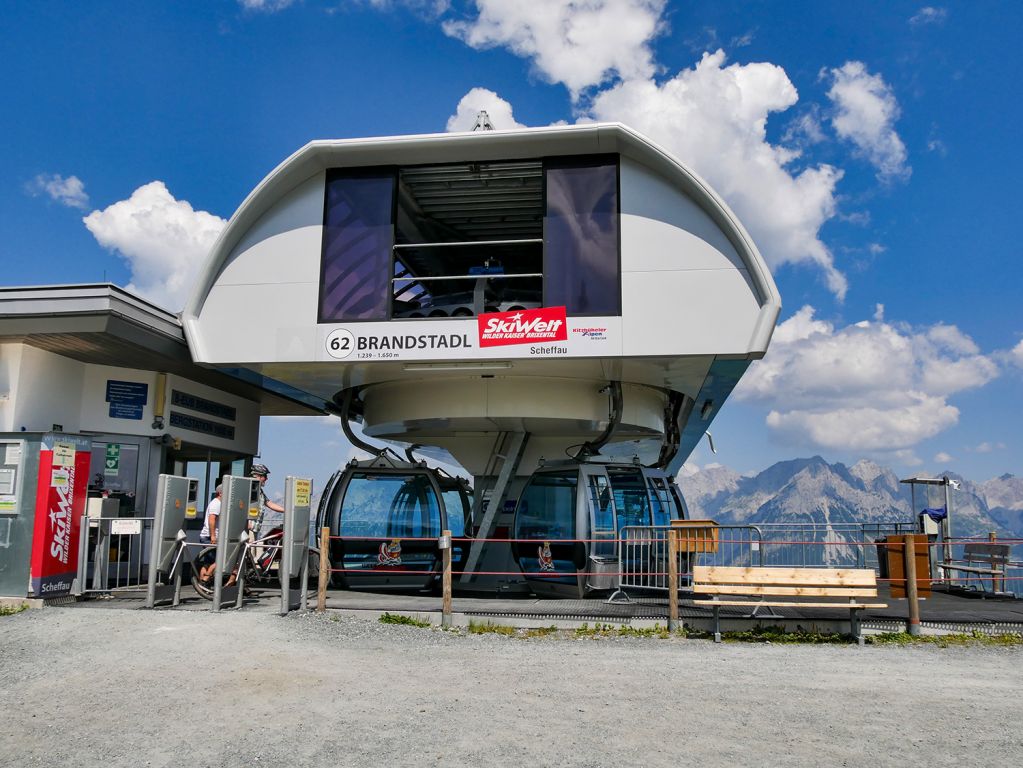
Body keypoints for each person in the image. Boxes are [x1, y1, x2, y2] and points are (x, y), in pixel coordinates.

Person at [197, 484, 222, 583]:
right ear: (220, 493)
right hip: (209, 537)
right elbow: (212, 519)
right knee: (220, 560)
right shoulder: (216, 503)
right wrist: (213, 536)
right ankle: (205, 579)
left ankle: (201, 585)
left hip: (206, 536)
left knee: (207, 563)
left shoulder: (217, 503)